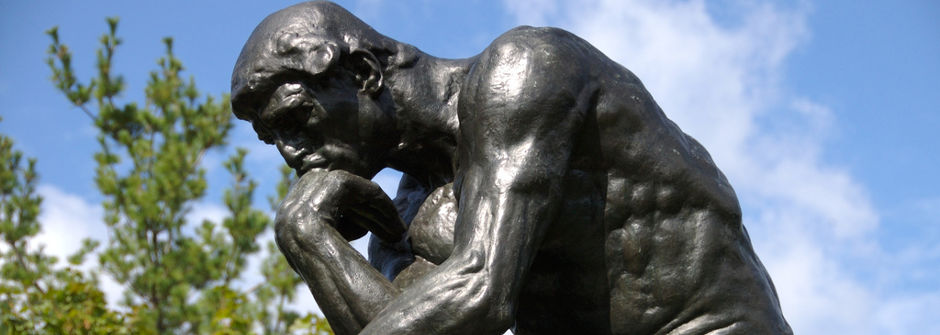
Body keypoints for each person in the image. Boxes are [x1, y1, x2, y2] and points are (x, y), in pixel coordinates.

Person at [231, 2, 792, 334]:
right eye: (271, 138)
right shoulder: (403, 220)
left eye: (296, 120)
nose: (290, 153)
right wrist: (306, 238)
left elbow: (483, 290)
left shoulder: (523, 73)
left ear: (363, 75)